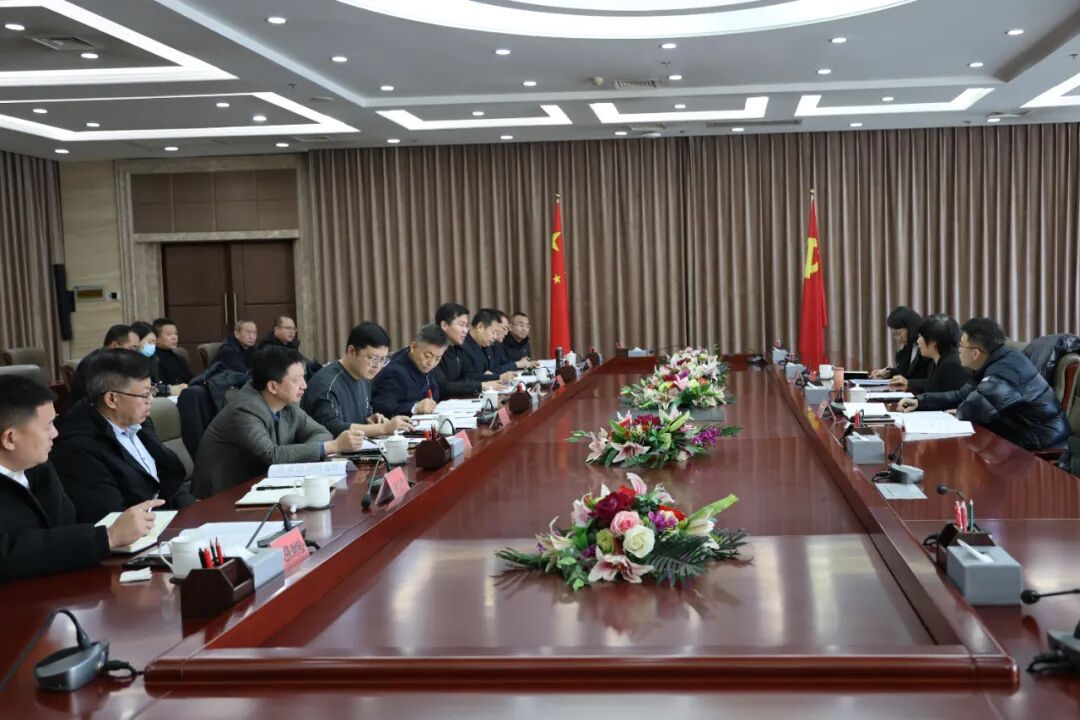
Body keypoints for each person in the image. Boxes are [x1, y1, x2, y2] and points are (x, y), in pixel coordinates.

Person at [0, 375, 162, 582]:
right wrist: (108, 537)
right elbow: (8, 556)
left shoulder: (38, 466)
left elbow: (64, 526)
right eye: (47, 426)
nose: (55, 433)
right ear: (10, 438)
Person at [191, 346, 363, 499]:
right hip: (221, 498)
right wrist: (332, 446)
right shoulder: (244, 410)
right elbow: (273, 456)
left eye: (304, 378)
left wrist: (303, 457)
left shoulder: (287, 404)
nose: (304, 385)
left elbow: (321, 433)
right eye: (296, 380)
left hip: (262, 486)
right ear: (273, 386)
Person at [51, 350, 195, 523]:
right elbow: (111, 519)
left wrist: (194, 511)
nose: (150, 399)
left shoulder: (139, 422)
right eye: (144, 394)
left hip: (171, 521)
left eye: (152, 390)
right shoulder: (77, 448)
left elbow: (167, 479)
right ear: (112, 399)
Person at [898, 317, 1071, 451]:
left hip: (1040, 438)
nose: (958, 351)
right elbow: (962, 395)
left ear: (975, 353)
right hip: (1019, 432)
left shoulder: (1006, 369)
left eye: (961, 346)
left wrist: (960, 411)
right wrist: (921, 401)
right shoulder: (992, 362)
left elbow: (978, 407)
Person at [303, 322, 412, 437]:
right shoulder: (326, 383)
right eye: (372, 358)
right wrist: (383, 428)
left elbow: (362, 417)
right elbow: (331, 428)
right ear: (351, 351)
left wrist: (370, 420)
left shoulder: (363, 377)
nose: (377, 365)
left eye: (383, 359)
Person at [432, 303, 507, 399]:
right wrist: (481, 386)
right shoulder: (433, 350)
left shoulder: (457, 348)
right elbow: (443, 387)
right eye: (461, 325)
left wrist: (498, 377)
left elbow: (469, 376)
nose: (465, 330)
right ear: (444, 325)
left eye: (466, 326)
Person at [371, 324, 447, 417]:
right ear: (413, 347)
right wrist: (414, 408)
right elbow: (381, 408)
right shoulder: (394, 372)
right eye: (428, 356)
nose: (431, 363)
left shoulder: (423, 364)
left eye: (438, 358)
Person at [889, 314, 970, 395]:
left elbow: (952, 399)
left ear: (933, 341)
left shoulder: (951, 365)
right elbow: (930, 387)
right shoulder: (936, 361)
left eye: (921, 336)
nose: (918, 341)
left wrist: (919, 400)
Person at [69, 324, 141, 404]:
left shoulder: (110, 359)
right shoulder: (96, 364)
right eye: (132, 349)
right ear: (115, 346)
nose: (136, 354)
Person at [870, 307, 933, 380]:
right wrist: (889, 373)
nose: (898, 339)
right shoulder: (909, 346)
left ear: (910, 327)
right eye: (895, 335)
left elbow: (930, 380)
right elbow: (907, 373)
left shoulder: (927, 346)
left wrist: (907, 382)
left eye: (899, 333)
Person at [460, 308, 518, 383]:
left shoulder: (486, 345)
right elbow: (468, 378)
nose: (495, 337)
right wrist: (496, 377)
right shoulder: (462, 347)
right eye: (493, 332)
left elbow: (493, 369)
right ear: (480, 327)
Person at [131, 321, 185, 397]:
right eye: (150, 342)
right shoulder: (129, 361)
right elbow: (139, 389)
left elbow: (156, 384)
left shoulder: (153, 359)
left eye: (154, 343)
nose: (152, 346)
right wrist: (169, 389)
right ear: (136, 342)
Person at [153, 317, 193, 387]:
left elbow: (191, 380)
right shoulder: (154, 360)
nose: (174, 337)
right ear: (156, 338)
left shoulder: (180, 358)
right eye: (169, 334)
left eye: (175, 334)